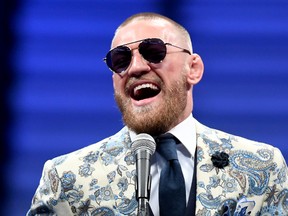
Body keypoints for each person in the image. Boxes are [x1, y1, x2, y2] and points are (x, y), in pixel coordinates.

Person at [27, 12, 288, 216]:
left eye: (153, 52)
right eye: (121, 60)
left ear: (193, 68)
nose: (136, 67)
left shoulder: (262, 166)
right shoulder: (67, 178)